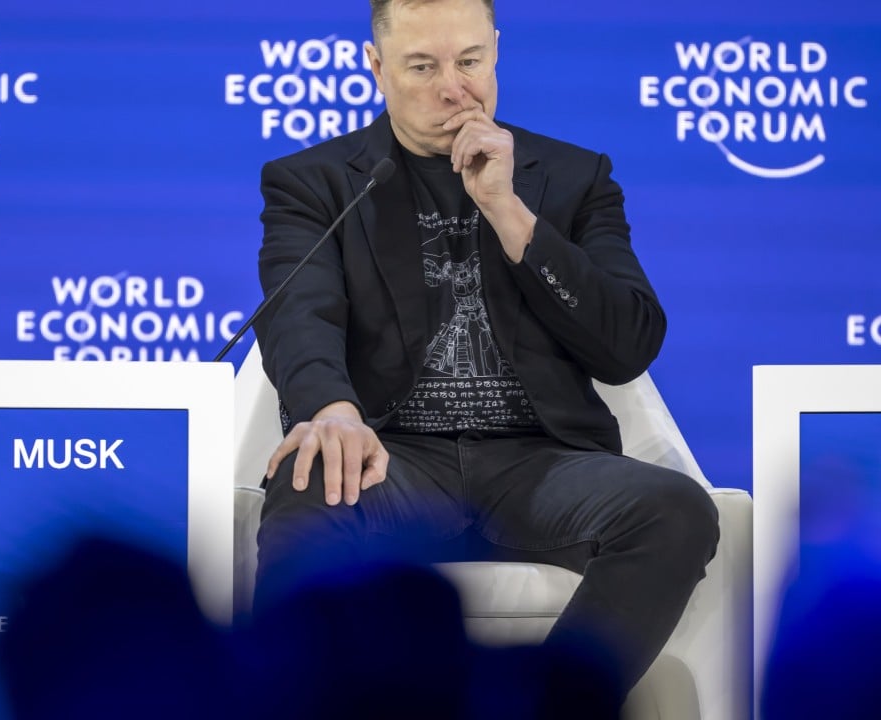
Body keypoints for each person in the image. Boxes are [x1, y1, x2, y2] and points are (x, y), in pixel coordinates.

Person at [251, 0, 720, 695]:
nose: (454, 88)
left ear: (495, 50)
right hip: (392, 461)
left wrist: (509, 210)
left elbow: (627, 346)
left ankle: (550, 706)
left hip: (543, 465)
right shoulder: (315, 182)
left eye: (470, 61)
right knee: (310, 484)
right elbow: (300, 313)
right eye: (422, 67)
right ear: (376, 67)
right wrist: (332, 410)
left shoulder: (573, 178)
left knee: (675, 511)